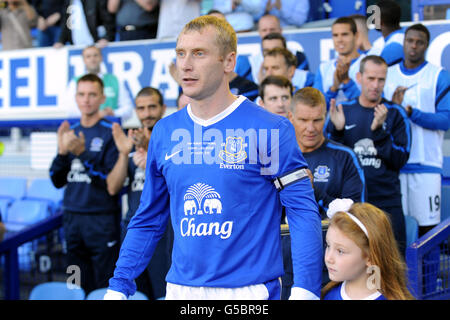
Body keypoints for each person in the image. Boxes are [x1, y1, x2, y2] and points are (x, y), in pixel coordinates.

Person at [105, 15, 323, 300]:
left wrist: (306, 289)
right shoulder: (166, 132)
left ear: (228, 62)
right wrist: (119, 285)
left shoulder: (268, 129)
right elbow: (148, 218)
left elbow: (301, 212)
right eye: (181, 54)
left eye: (199, 53)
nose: (185, 64)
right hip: (180, 291)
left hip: (249, 293)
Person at [326, 55, 411, 255]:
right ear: (359, 77)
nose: (376, 85)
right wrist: (337, 132)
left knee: (392, 266)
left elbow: (400, 160)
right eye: (371, 78)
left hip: (387, 203)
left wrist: (379, 132)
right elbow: (332, 159)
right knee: (354, 266)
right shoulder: (343, 110)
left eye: (381, 80)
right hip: (353, 205)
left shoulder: (396, 113)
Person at [49, 74, 121, 294]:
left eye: (92, 94)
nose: (86, 99)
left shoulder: (111, 132)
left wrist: (82, 153)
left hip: (101, 220)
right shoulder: (69, 131)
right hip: (72, 220)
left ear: (102, 98)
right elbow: (57, 180)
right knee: (74, 284)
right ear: (76, 98)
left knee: (103, 286)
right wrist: (63, 153)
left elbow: (110, 183)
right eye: (81, 94)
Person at [384, 24, 450, 237]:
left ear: (426, 45)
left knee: (426, 232)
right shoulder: (387, 75)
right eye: (409, 41)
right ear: (403, 42)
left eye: (419, 42)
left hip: (426, 166)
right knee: (395, 231)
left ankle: (424, 273)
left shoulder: (438, 76)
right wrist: (395, 109)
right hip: (393, 167)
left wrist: (411, 112)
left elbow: (445, 120)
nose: (413, 46)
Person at [109, 87, 172, 300]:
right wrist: (123, 153)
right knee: (135, 294)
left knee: (162, 293)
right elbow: (113, 187)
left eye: (152, 107)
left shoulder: (173, 141)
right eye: (141, 108)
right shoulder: (131, 141)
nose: (147, 114)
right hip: (132, 232)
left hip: (162, 234)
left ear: (163, 108)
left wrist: (152, 158)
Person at [288, 87, 366, 217]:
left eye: (317, 120)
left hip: (329, 237)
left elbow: (356, 216)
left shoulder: (346, 158)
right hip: (286, 236)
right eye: (303, 120)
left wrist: (312, 191)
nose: (311, 128)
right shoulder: (278, 157)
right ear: (291, 117)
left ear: (325, 117)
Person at [322, 199, 414, 300]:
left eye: (340, 251)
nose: (328, 258)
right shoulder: (327, 294)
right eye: (328, 245)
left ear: (370, 257)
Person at [235, 14, 310, 85]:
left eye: (272, 29)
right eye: (264, 30)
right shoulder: (251, 63)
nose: (268, 33)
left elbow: (302, 80)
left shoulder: (297, 56)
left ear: (280, 30)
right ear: (259, 32)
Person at [65, 45, 133, 122]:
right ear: (83, 60)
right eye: (88, 56)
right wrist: (95, 115)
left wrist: (113, 113)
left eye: (95, 55)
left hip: (111, 128)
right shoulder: (75, 82)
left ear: (101, 57)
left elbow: (128, 109)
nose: (92, 59)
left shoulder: (115, 80)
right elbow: (70, 110)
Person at [313, 17, 364, 108]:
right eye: (335, 35)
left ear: (356, 36)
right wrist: (333, 88)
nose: (339, 39)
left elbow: (370, 104)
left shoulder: (368, 63)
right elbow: (316, 106)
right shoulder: (324, 68)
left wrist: (347, 82)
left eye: (344, 34)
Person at [371, 0, 404, 67]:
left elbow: (378, 72)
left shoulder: (394, 45)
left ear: (380, 22)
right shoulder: (401, 37)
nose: (372, 21)